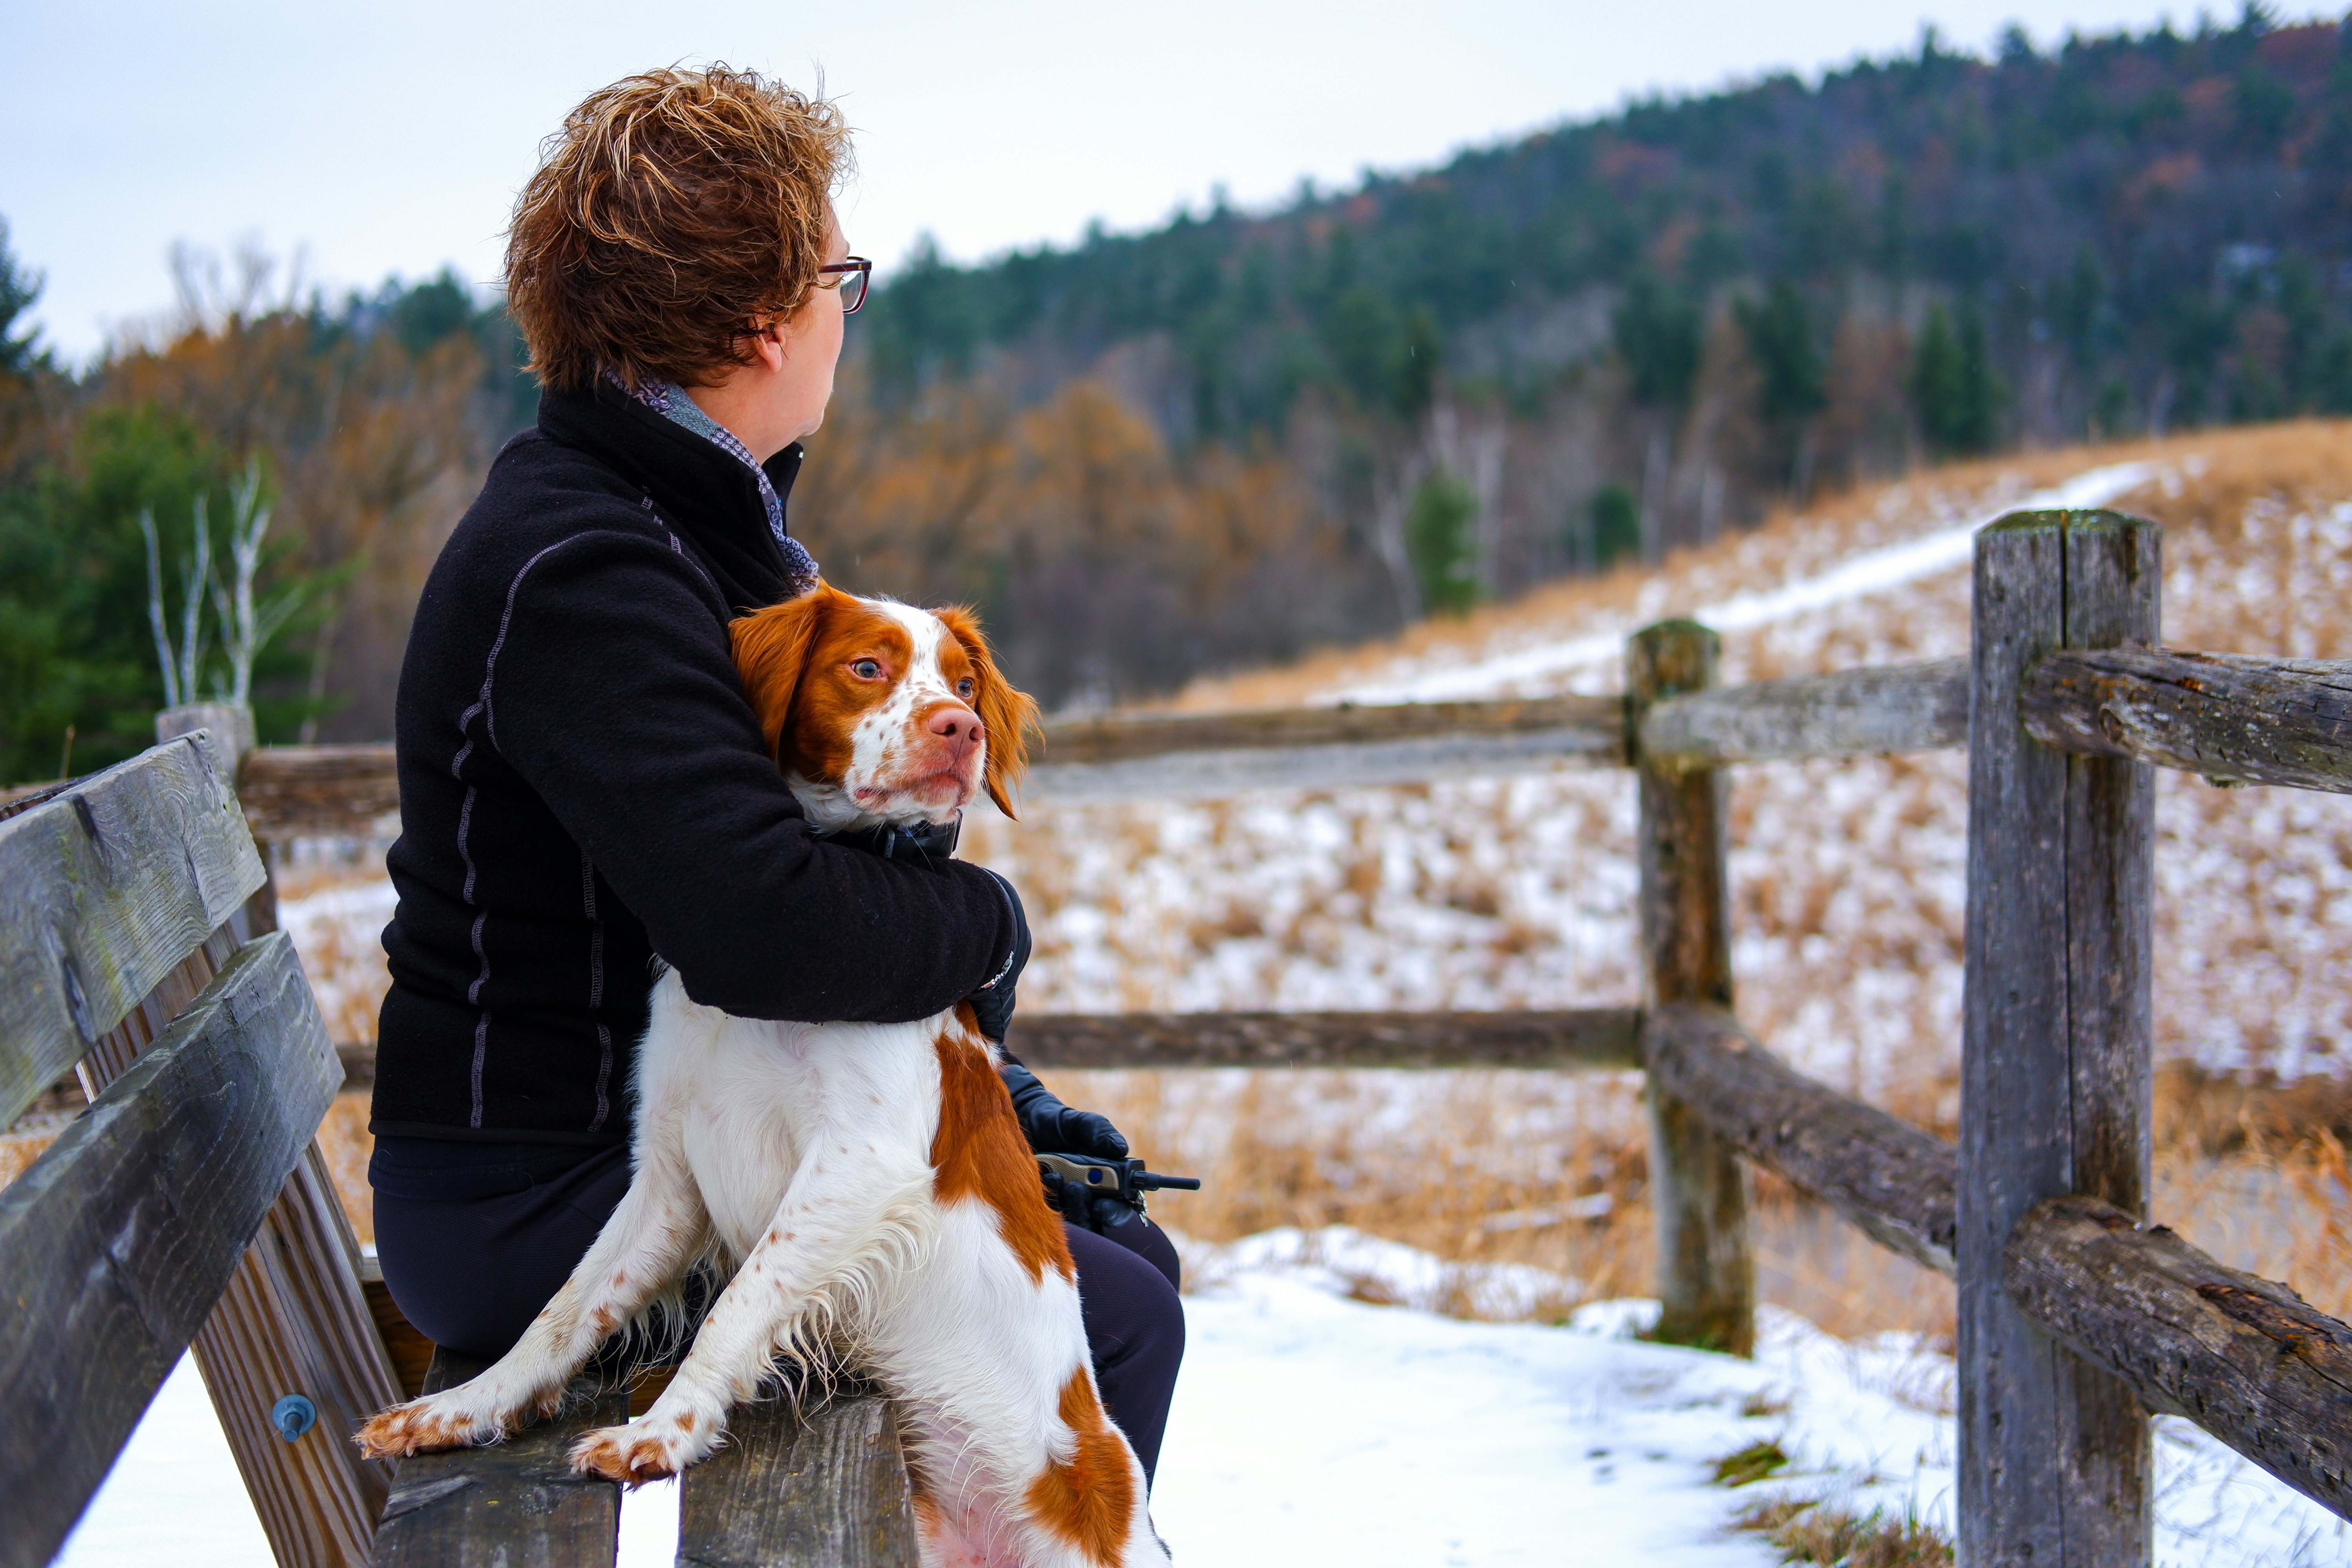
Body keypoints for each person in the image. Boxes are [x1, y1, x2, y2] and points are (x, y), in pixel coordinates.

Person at [368, 66, 1184, 1483]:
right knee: (1107, 1322)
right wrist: (992, 933)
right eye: (837, 281)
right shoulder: (592, 569)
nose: (841, 318)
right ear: (761, 323)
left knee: (1112, 1248)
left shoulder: (682, 528)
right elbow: (766, 927)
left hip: (678, 1132)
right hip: (544, 1191)